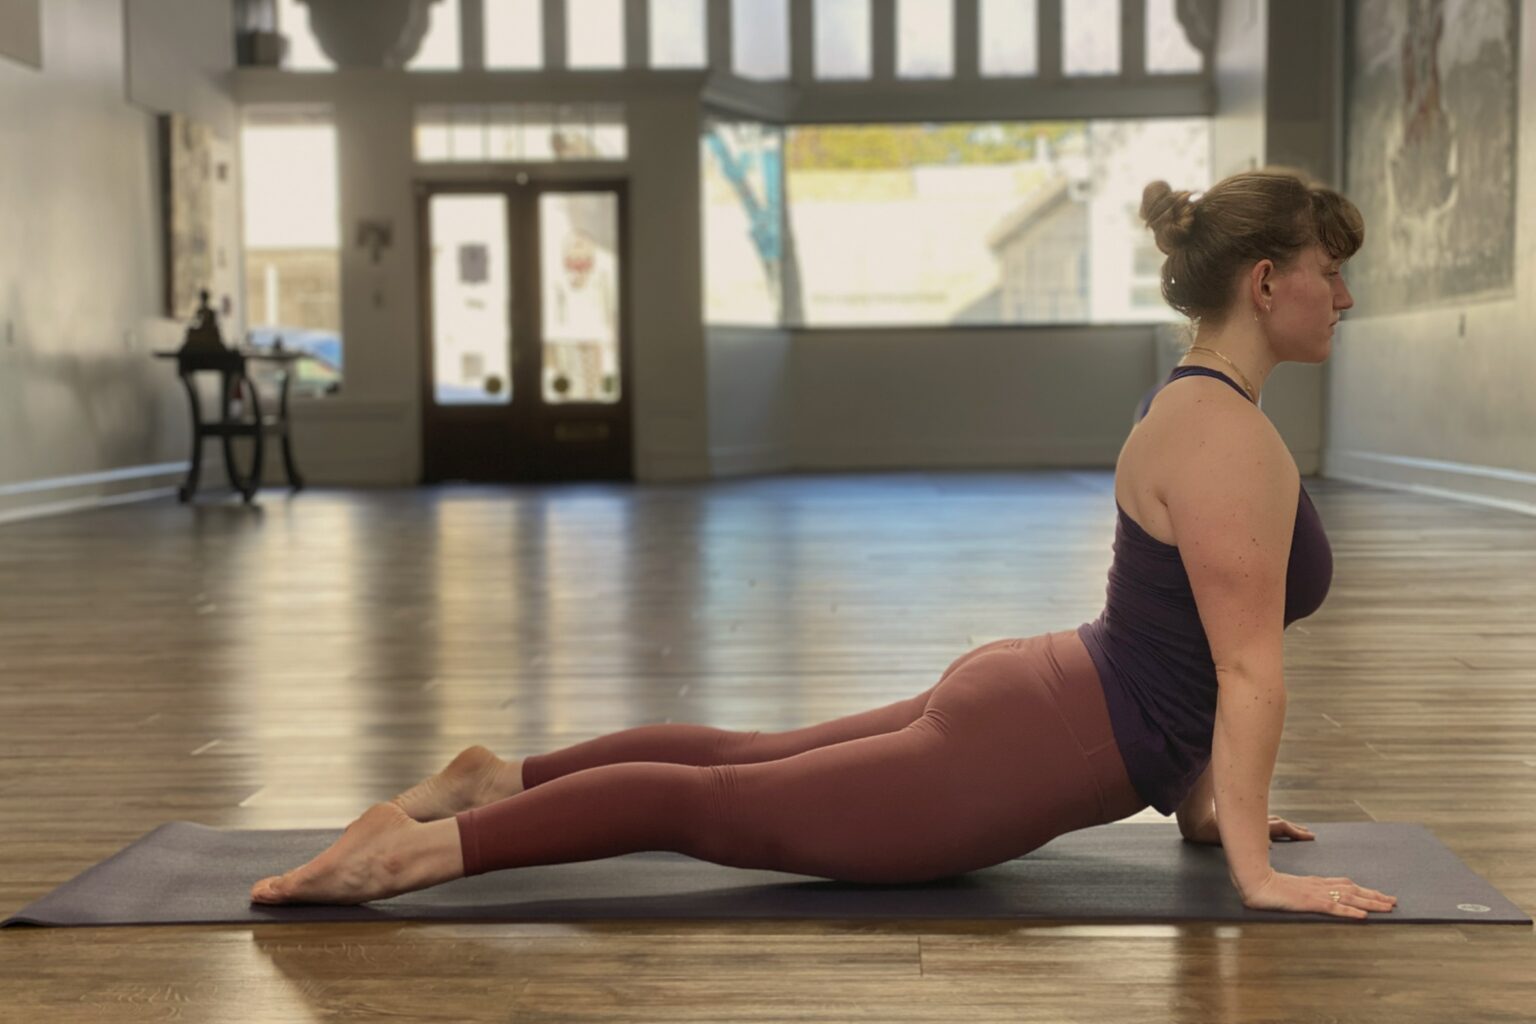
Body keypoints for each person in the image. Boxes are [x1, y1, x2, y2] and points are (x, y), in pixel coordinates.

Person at [250, 167, 1397, 921]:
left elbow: (1192, 649)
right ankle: (404, 857)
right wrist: (1255, 874)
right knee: (711, 806)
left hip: (1040, 693)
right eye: (1328, 271)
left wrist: (1205, 812)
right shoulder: (1233, 442)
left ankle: (494, 779)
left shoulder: (1194, 407)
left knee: (739, 758)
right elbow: (1246, 670)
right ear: (1265, 280)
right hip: (1029, 747)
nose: (1341, 295)